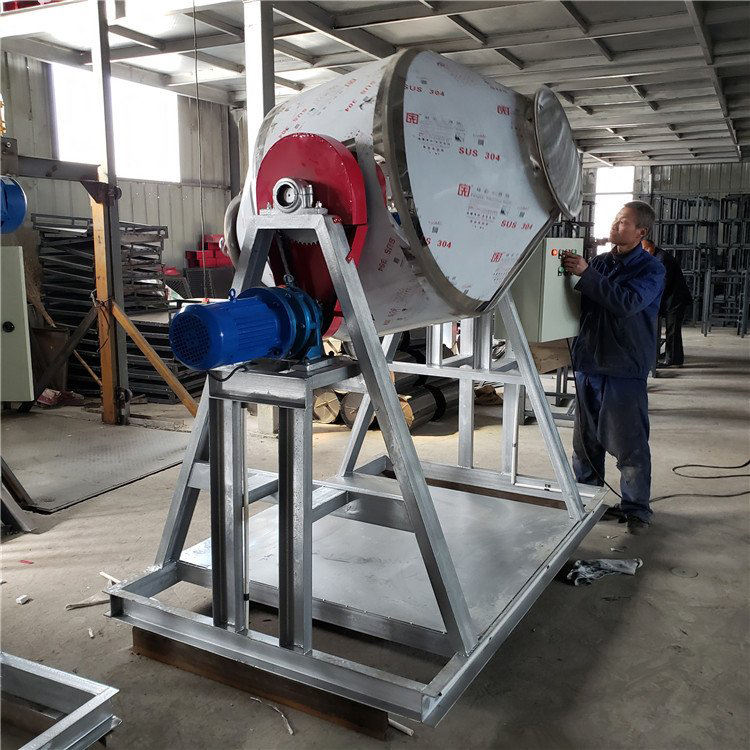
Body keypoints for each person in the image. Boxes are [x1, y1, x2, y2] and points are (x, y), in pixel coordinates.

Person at [561, 201, 665, 534]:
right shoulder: (602, 263)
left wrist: (586, 274)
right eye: (616, 219)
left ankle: (636, 509)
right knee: (585, 443)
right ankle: (586, 499)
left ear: (641, 232)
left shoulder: (651, 270)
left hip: (623, 367)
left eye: (623, 222)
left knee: (629, 443)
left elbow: (626, 303)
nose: (615, 225)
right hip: (589, 363)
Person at [642, 238, 692, 367]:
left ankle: (672, 359)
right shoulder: (655, 257)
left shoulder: (662, 259)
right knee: (672, 330)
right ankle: (673, 355)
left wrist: (651, 300)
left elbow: (663, 283)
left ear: (652, 246)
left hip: (676, 300)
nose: (645, 252)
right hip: (671, 298)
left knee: (672, 330)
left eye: (646, 249)